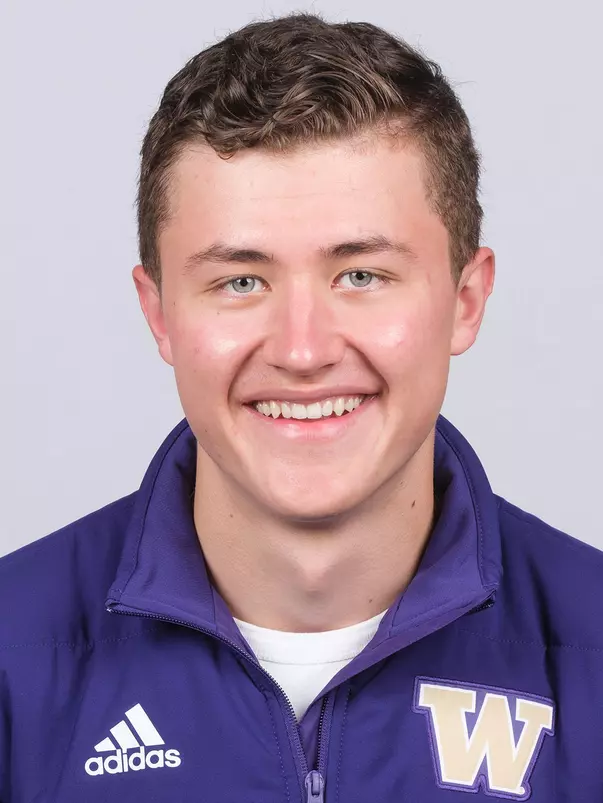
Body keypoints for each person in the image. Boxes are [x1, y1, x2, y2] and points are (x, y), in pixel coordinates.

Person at [1, 11, 602, 803]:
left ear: (465, 298)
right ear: (159, 314)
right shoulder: (14, 660)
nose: (303, 349)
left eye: (361, 275)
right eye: (240, 281)